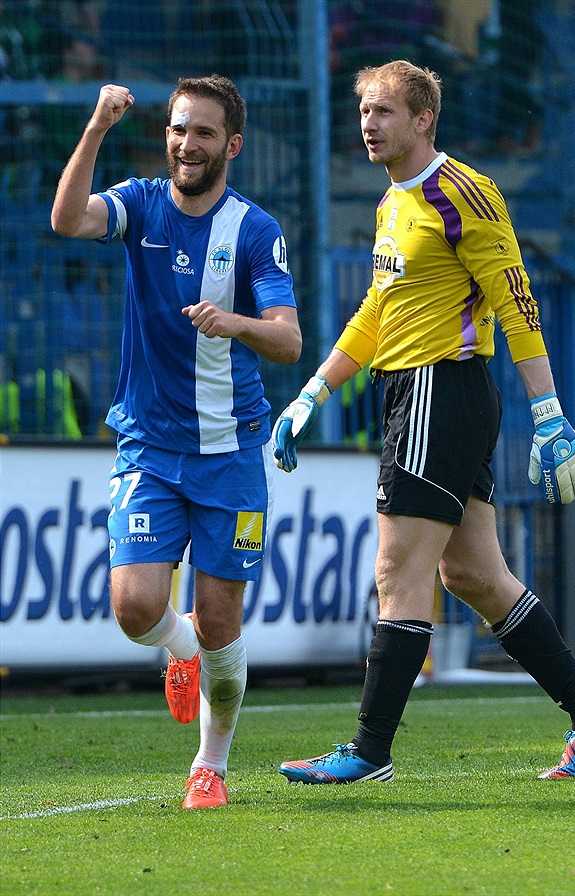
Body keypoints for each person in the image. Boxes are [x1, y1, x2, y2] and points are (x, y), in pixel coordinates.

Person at [272, 60, 575, 784]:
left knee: (396, 570)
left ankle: (370, 750)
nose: (367, 125)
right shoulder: (392, 203)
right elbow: (378, 311)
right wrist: (312, 392)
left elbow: (515, 298)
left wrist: (550, 410)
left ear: (422, 118)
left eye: (381, 112)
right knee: (471, 571)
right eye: (363, 112)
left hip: (441, 387)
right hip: (413, 391)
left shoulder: (462, 190)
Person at [51, 75, 302, 808]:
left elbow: (287, 340)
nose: (186, 144)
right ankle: (179, 646)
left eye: (202, 133)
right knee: (134, 609)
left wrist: (238, 324)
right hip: (150, 448)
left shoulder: (254, 230)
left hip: (230, 454)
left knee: (225, 622)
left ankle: (210, 767)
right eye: (178, 129)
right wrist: (97, 126)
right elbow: (67, 220)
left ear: (233, 144)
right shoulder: (141, 203)